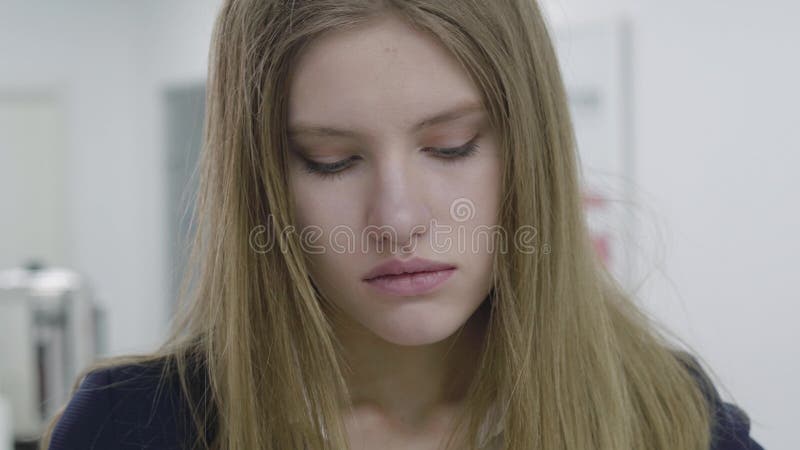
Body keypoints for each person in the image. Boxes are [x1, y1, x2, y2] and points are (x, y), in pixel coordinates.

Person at [42, 1, 765, 449]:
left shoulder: (669, 419)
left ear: (531, 152)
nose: (397, 219)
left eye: (451, 147)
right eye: (330, 161)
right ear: (264, 185)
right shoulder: (132, 429)